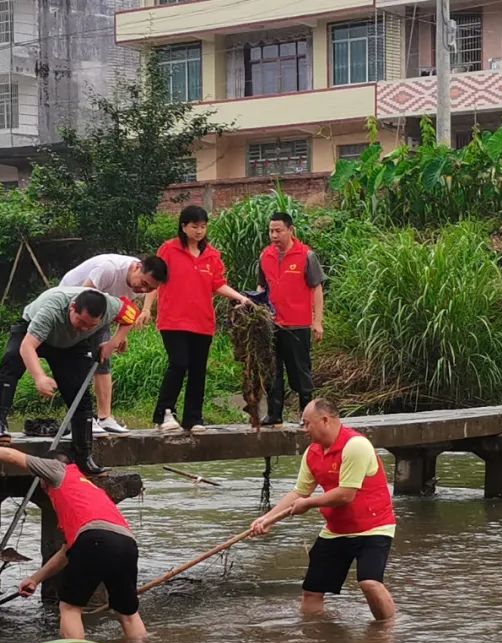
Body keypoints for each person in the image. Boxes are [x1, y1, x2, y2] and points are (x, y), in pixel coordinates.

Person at [0, 430, 147, 640]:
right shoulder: (87, 489)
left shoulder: (58, 469)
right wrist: (35, 579)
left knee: (69, 608)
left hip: (95, 540)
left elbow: (15, 457)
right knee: (127, 613)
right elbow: (69, 550)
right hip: (127, 545)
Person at [249, 398, 396, 621]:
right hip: (336, 529)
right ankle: (315, 642)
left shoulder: (356, 445)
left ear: (325, 420)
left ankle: (387, 633)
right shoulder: (312, 453)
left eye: (307, 423)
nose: (304, 430)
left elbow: (346, 494)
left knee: (369, 583)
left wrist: (309, 504)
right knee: (312, 591)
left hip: (374, 527)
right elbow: (299, 492)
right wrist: (267, 519)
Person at [0, 286, 138, 474]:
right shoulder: (52, 310)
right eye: (81, 321)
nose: (84, 328)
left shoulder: (111, 305)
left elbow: (131, 314)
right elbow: (27, 347)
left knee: (79, 393)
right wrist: (39, 377)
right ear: (72, 308)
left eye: (91, 326)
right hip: (33, 332)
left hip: (71, 346)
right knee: (11, 362)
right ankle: (0, 424)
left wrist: (114, 342)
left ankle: (84, 457)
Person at [138, 205, 252, 432]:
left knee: (198, 369)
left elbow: (217, 284)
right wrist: (146, 309)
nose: (199, 231)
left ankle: (193, 418)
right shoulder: (169, 250)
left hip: (202, 322)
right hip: (173, 320)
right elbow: (154, 280)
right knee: (179, 363)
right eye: (194, 226)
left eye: (203, 226)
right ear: (183, 226)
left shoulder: (212, 255)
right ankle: (165, 414)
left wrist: (242, 298)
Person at [60, 253, 168, 434]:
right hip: (74, 308)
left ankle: (105, 417)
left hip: (101, 312)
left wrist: (118, 339)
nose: (143, 290)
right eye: (143, 284)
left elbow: (126, 309)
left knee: (103, 360)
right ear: (137, 267)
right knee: (81, 360)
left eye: (150, 289)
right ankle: (81, 418)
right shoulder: (109, 269)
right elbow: (82, 300)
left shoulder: (138, 283)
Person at [256, 211, 325, 427]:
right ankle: (274, 414)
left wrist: (317, 321)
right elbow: (261, 287)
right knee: (272, 370)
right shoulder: (264, 256)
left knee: (300, 373)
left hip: (297, 324)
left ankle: (307, 416)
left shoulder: (306, 255)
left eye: (278, 231)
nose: (274, 235)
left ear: (290, 230)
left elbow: (317, 288)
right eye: (271, 231)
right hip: (271, 325)